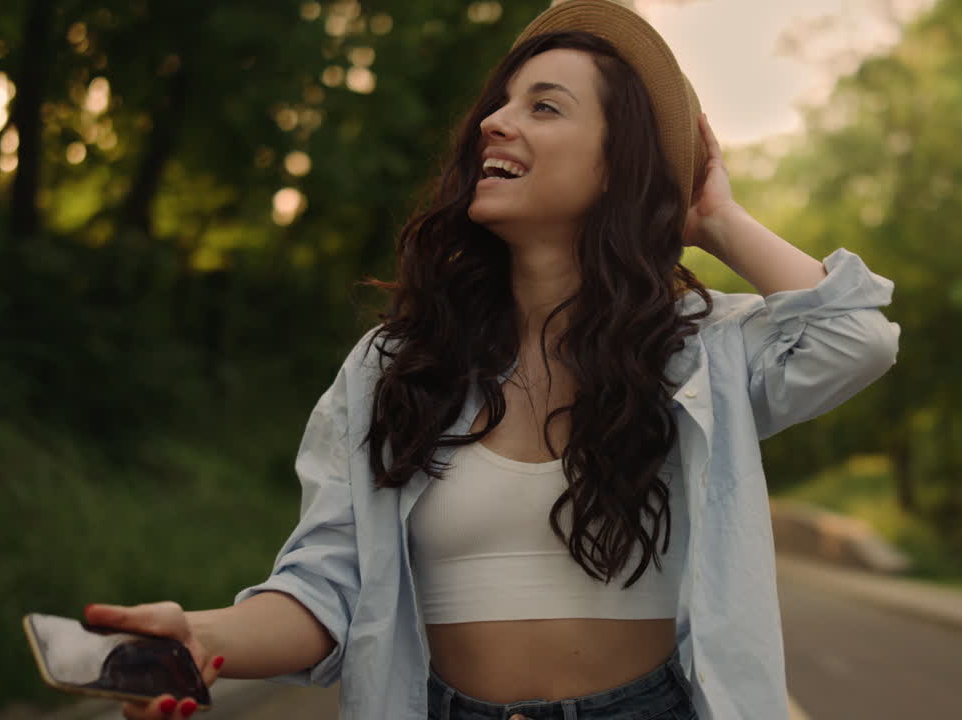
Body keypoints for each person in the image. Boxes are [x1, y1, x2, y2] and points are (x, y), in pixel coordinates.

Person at [84, 1, 900, 719]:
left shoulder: (696, 352)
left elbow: (852, 338)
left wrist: (715, 217)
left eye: (544, 107)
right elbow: (328, 589)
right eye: (500, 104)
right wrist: (199, 638)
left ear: (618, 162)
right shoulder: (394, 368)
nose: (494, 122)